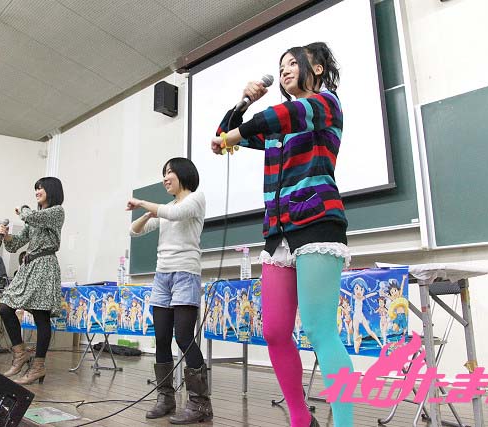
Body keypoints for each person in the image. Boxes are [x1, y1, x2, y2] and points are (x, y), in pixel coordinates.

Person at [211, 42, 353, 427]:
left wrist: (235, 134)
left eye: (293, 63)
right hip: (278, 234)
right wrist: (242, 104)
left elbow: (281, 116)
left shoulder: (325, 104)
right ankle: (300, 419)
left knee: (320, 330)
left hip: (318, 222)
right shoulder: (276, 128)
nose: (285, 70)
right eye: (281, 66)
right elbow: (224, 134)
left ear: (317, 68)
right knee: (274, 331)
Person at [127, 157, 212, 424]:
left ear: (183, 174)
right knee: (162, 338)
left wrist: (143, 203)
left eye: (170, 172)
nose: (165, 178)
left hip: (185, 274)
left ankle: (200, 404)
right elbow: (134, 231)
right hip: (162, 277)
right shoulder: (167, 208)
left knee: (184, 337)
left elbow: (175, 214)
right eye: (163, 173)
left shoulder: (195, 199)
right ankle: (166, 399)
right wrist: (148, 213)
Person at [0, 177, 65, 385]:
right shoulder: (34, 218)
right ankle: (20, 354)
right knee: (5, 307)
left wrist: (23, 209)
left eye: (40, 188)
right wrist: (6, 236)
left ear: (52, 190)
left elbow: (32, 216)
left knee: (41, 316)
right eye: (36, 188)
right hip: (29, 266)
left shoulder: (56, 212)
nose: (37, 191)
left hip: (45, 265)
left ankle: (38, 367)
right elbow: (15, 244)